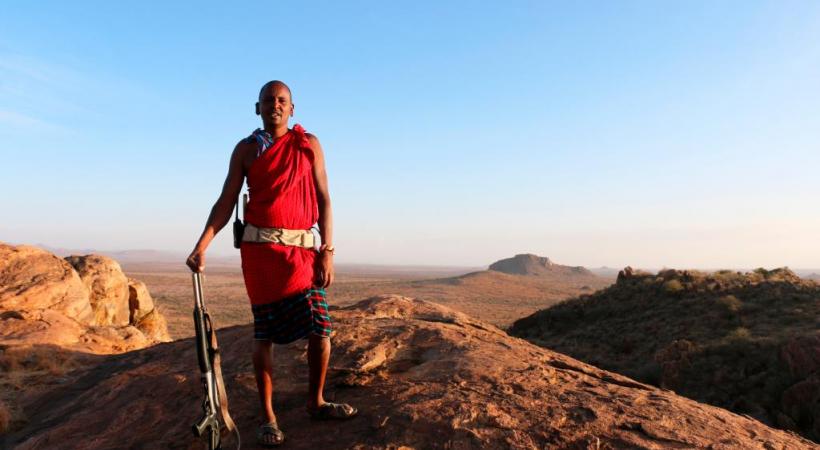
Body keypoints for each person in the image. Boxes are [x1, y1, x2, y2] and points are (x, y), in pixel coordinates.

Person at [186, 80, 357, 447]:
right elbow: (226, 199)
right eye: (268, 101)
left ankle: (316, 401)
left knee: (321, 328)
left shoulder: (308, 144)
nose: (275, 106)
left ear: (292, 109)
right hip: (261, 255)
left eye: (282, 101)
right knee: (264, 335)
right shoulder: (246, 150)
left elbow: (325, 198)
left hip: (303, 254)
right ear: (257, 108)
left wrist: (328, 249)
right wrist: (202, 245)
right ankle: (268, 417)